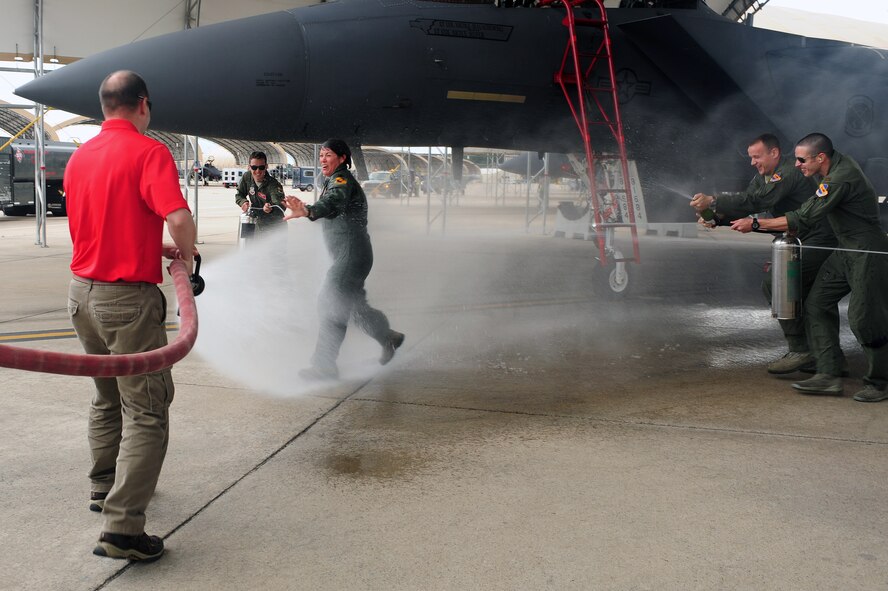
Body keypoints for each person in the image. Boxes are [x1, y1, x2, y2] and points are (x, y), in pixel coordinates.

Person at [64, 70, 197, 561]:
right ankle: (122, 531)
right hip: (127, 302)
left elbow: (102, 223)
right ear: (142, 104)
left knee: (106, 396)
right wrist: (185, 254)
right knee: (146, 410)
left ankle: (103, 488)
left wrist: (149, 244)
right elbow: (179, 218)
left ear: (104, 107)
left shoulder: (81, 157)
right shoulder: (149, 151)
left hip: (82, 295)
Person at [730, 133, 888, 402]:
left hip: (865, 250)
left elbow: (805, 216)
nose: (797, 164)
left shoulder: (840, 177)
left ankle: (879, 382)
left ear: (820, 158)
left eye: (802, 160)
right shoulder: (825, 170)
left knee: (864, 317)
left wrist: (756, 224)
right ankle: (829, 373)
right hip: (844, 248)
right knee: (817, 303)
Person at [691, 133, 837, 375]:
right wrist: (717, 219)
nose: (752, 162)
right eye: (750, 158)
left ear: (774, 153)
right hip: (797, 239)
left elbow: (756, 201)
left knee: (778, 284)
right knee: (812, 299)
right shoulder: (761, 178)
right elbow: (747, 207)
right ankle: (828, 359)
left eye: (757, 156)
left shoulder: (788, 172)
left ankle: (801, 350)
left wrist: (714, 201)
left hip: (818, 238)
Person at [282, 139, 404, 379]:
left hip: (351, 255)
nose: (323, 159)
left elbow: (334, 202)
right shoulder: (332, 181)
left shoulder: (342, 181)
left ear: (342, 158)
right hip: (352, 255)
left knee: (330, 303)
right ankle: (388, 337)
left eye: (328, 155)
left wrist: (308, 211)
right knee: (355, 307)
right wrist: (309, 208)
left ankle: (324, 365)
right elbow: (330, 203)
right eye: (321, 155)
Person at [234, 150, 286, 234]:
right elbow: (239, 194)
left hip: (274, 228)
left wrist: (270, 209)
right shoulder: (247, 177)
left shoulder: (273, 184)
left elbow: (281, 206)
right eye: (254, 167)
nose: (258, 171)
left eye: (261, 167)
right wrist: (243, 202)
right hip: (256, 224)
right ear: (249, 167)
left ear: (266, 167)